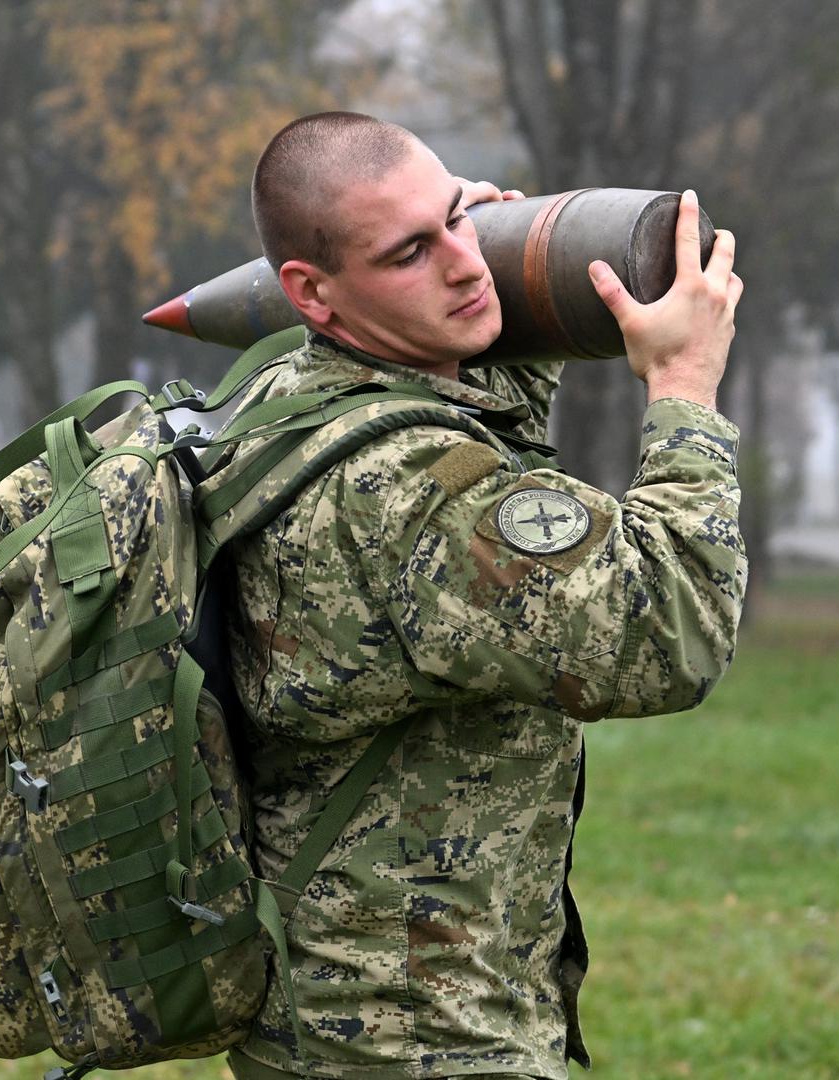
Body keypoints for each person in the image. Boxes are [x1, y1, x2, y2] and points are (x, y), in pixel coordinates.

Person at [222, 111, 746, 1080]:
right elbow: (675, 627)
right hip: (432, 1047)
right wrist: (685, 391)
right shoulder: (409, 496)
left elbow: (462, 480)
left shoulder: (281, 406)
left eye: (461, 219)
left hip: (315, 1037)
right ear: (312, 292)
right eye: (410, 253)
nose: (466, 263)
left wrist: (505, 338)